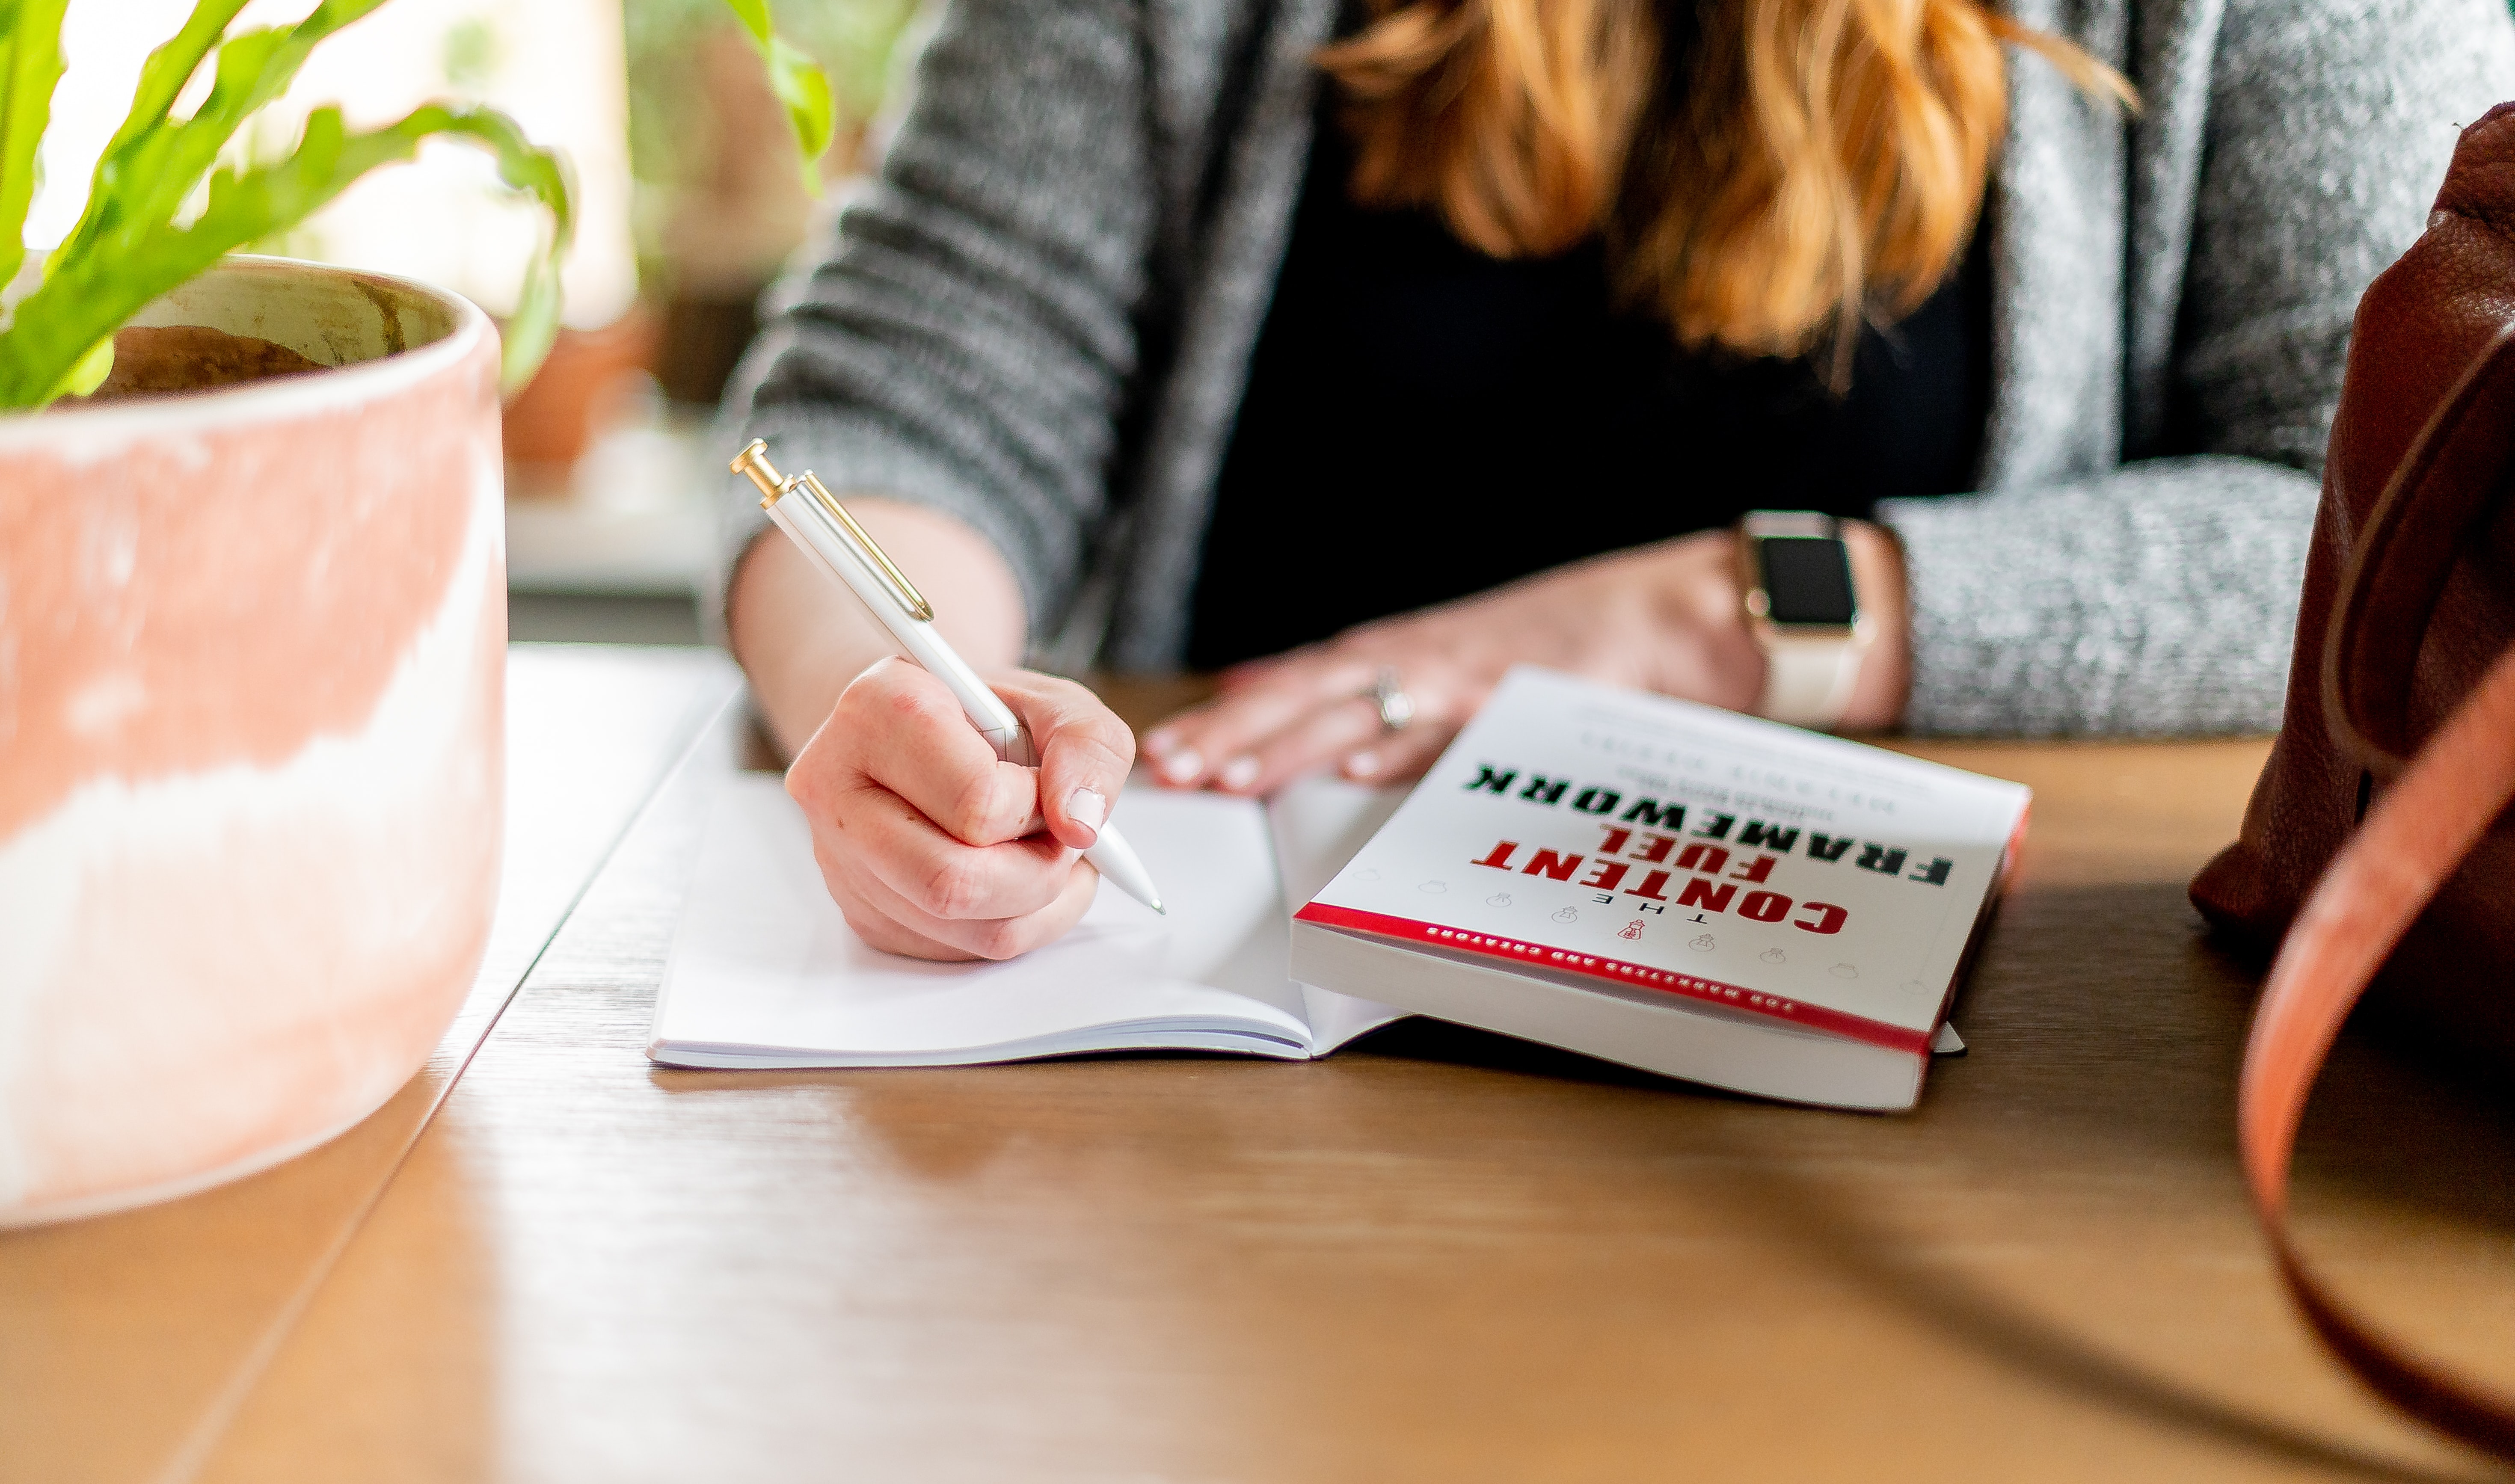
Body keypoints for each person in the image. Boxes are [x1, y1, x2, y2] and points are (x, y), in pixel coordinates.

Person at [717, 0, 2514, 962]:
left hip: (2004, 1034)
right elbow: (894, 419)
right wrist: (893, 683)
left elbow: (2400, 508)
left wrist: (1713, 620)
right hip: (1226, 1041)